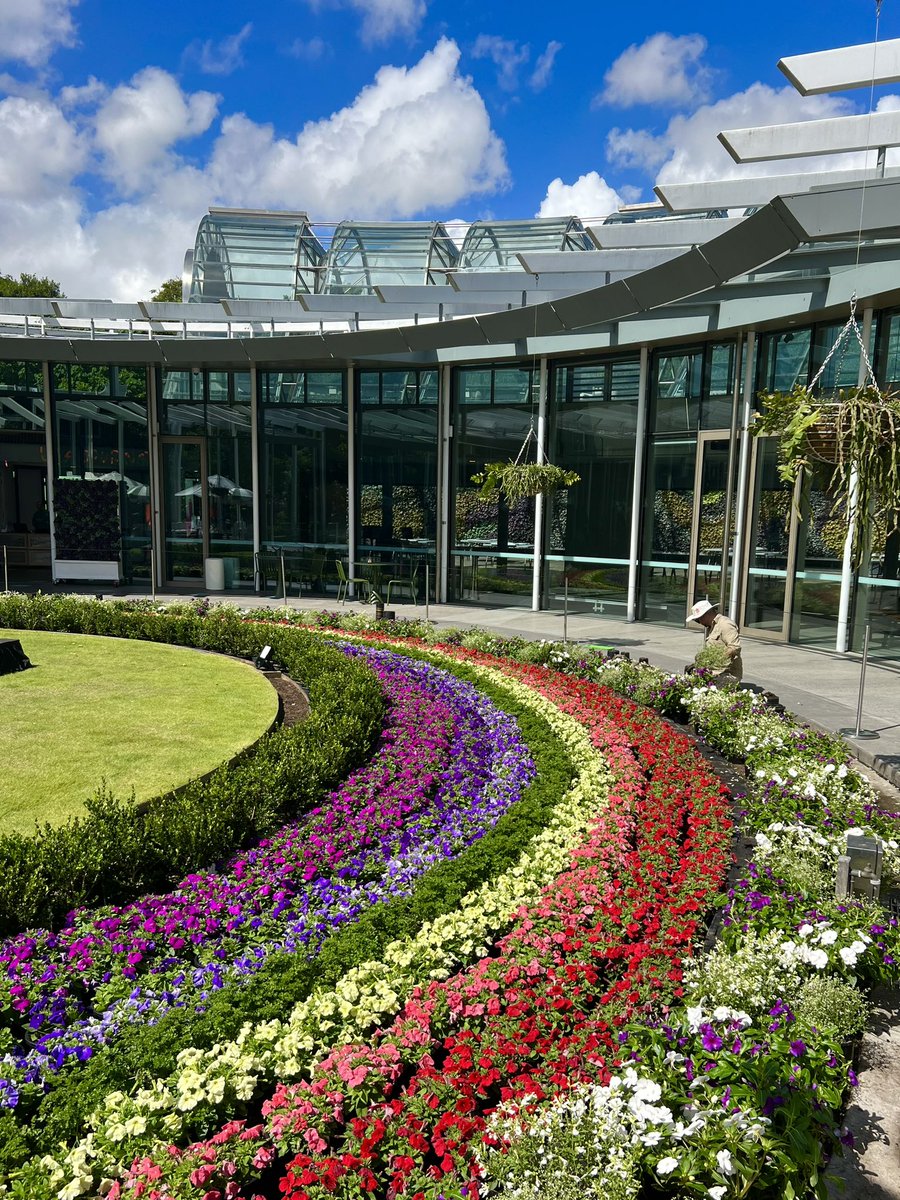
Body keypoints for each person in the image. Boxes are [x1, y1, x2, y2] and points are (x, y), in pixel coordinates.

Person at [686, 599, 743, 683]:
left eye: (698, 620)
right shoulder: (711, 626)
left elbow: (734, 647)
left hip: (726, 673)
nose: (699, 623)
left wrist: (715, 660)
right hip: (713, 672)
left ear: (705, 615)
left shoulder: (725, 624)